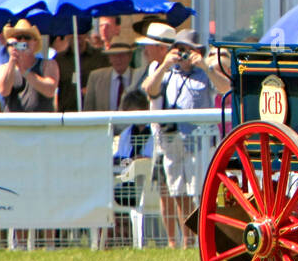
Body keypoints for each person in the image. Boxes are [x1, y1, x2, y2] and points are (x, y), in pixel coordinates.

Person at [141, 29, 215, 249]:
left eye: (189, 50)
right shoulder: (165, 72)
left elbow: (224, 88)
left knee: (199, 193)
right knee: (178, 192)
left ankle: (203, 240)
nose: (184, 55)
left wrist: (206, 67)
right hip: (172, 142)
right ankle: (186, 242)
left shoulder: (205, 73)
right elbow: (149, 90)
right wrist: (165, 65)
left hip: (198, 142)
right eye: (180, 50)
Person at [0, 20, 58, 113]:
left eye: (27, 37)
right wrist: (13, 60)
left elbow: (50, 90)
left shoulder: (48, 64)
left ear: (35, 42)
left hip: (41, 124)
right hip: (14, 124)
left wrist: (25, 72)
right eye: (18, 38)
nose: (23, 41)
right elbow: (3, 90)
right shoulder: (3, 68)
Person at [83, 37, 141, 111]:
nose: (118, 59)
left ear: (130, 56)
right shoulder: (96, 77)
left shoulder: (139, 76)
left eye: (122, 55)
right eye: (114, 55)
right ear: (109, 58)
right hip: (104, 122)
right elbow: (88, 109)